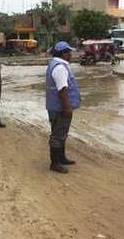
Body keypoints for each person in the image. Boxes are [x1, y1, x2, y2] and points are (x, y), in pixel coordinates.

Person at [46, 42, 81, 173]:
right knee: (57, 135)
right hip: (59, 108)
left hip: (55, 106)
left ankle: (61, 157)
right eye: (69, 52)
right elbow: (62, 89)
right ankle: (54, 163)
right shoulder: (60, 68)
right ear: (63, 53)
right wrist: (67, 108)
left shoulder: (55, 64)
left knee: (61, 133)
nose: (71, 54)